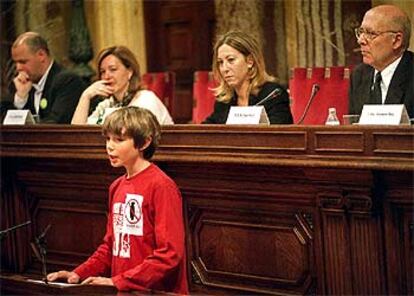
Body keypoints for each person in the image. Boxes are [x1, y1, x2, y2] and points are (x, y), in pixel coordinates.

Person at [47, 106, 188, 294]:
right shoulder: (116, 186)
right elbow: (111, 246)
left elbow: (170, 254)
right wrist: (77, 274)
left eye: (119, 140)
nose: (109, 146)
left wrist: (120, 281)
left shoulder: (161, 186)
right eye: (108, 139)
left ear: (144, 143)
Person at [203, 30, 293, 124]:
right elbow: (207, 130)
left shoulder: (272, 95)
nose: (224, 68)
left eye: (231, 60)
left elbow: (280, 135)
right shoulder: (225, 101)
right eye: (220, 62)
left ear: (250, 61)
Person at [71, 46, 173, 125]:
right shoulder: (106, 105)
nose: (106, 76)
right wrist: (86, 96)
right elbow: (77, 136)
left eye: (113, 69)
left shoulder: (146, 100)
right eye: (102, 72)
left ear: (130, 72)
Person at [349, 4, 413, 119]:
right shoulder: (359, 75)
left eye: (371, 33)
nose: (360, 40)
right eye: (361, 32)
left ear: (397, 40)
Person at [9, 32, 86, 123]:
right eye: (16, 63)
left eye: (23, 62)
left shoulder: (67, 81)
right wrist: (21, 99)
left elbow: (57, 123)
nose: (18, 68)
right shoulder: (19, 84)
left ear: (41, 55)